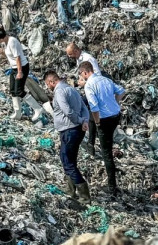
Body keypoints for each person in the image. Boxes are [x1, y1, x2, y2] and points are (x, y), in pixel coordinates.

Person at [43, 70, 91, 202]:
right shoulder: (71, 89)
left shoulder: (59, 92)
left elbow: (68, 111)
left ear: (52, 82)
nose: (48, 87)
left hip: (69, 130)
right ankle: (70, 190)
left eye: (48, 84)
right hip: (77, 130)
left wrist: (81, 121)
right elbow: (84, 108)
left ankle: (84, 196)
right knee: (71, 160)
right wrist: (85, 120)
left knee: (67, 161)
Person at [79, 61, 125, 197]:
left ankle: (112, 188)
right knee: (106, 140)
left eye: (81, 74)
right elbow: (121, 91)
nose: (82, 78)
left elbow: (94, 107)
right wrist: (116, 102)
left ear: (85, 72)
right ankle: (91, 145)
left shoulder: (89, 85)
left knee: (106, 153)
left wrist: (98, 122)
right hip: (115, 116)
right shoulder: (106, 80)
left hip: (104, 120)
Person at [0, 27, 43, 121]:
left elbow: (17, 58)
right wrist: (2, 53)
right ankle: (17, 112)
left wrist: (20, 72)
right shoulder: (6, 42)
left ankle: (38, 108)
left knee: (19, 91)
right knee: (13, 90)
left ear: (0, 38)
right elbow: (9, 57)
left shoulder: (12, 41)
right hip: (14, 68)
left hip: (22, 68)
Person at [66, 42, 102, 156]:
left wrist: (84, 82)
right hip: (87, 89)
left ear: (76, 51)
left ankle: (90, 143)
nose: (69, 57)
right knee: (83, 110)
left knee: (89, 113)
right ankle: (87, 139)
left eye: (70, 54)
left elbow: (97, 76)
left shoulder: (88, 59)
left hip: (94, 91)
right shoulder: (79, 59)